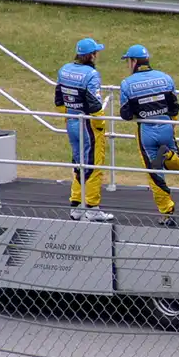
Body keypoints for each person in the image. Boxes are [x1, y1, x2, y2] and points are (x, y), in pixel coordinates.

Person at [119, 44, 179, 226]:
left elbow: (125, 115)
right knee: (178, 164)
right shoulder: (166, 78)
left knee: (154, 174)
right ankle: (169, 155)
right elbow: (174, 107)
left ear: (133, 62)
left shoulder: (127, 84)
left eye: (127, 62)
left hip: (146, 131)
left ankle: (167, 212)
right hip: (166, 126)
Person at [55, 37, 113, 222]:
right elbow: (95, 104)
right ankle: (92, 208)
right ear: (91, 55)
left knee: (78, 162)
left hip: (71, 120)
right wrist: (100, 124)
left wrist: (68, 115)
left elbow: (58, 99)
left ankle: (76, 205)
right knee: (93, 165)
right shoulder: (91, 75)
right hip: (87, 123)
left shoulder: (64, 70)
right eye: (96, 52)